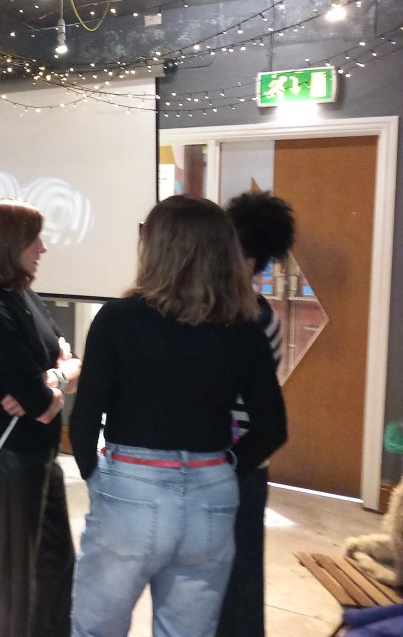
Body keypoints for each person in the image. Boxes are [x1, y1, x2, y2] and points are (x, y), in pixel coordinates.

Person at [68, 195, 289, 637]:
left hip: (131, 486)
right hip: (212, 494)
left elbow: (83, 422)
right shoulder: (244, 326)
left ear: (156, 248)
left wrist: (100, 480)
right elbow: (272, 428)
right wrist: (223, 469)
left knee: (95, 630)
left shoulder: (116, 319)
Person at [0, 197, 83, 637]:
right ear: (9, 244)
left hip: (41, 457)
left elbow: (71, 365)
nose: (43, 247)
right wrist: (50, 385)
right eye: (34, 239)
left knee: (57, 563)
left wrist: (52, 378)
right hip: (9, 461)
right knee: (15, 580)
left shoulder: (23, 295)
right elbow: (42, 405)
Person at [217, 191, 296, 637]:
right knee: (236, 575)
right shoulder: (258, 315)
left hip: (237, 464)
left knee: (237, 577)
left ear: (249, 262)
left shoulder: (251, 319)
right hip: (241, 463)